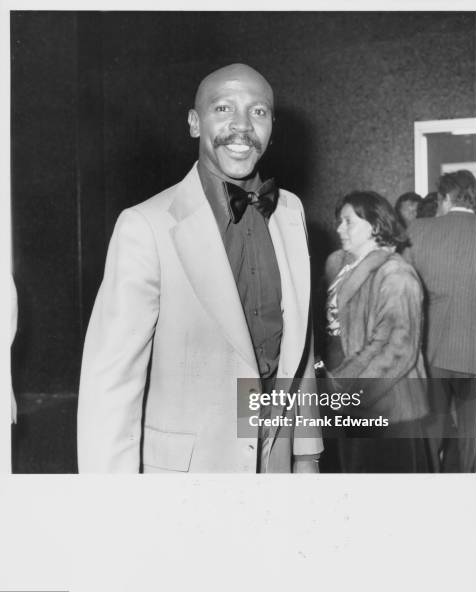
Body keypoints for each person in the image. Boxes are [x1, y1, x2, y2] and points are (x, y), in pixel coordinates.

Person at [77, 63, 323, 473]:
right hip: (186, 482)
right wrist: (113, 510)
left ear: (272, 128)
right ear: (194, 123)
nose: (242, 126)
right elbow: (110, 386)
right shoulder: (146, 226)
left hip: (275, 467)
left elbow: (302, 343)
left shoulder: (291, 212)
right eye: (223, 109)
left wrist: (306, 455)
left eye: (258, 112)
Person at [320, 191, 431, 472]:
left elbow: (396, 348)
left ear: (374, 225)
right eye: (339, 221)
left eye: (348, 222)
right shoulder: (339, 265)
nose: (338, 228)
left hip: (386, 405)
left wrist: (344, 389)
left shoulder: (396, 274)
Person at [405, 170, 476, 472]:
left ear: (445, 198)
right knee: (475, 438)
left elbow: (404, 291)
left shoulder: (418, 230)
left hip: (432, 353)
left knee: (431, 433)